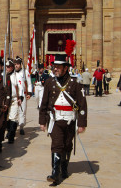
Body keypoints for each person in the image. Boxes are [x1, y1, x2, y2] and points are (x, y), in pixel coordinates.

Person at [39, 54, 87, 186]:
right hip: (55, 120)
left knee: (67, 145)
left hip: (70, 120)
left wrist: (82, 124)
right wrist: (42, 121)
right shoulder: (49, 82)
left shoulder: (75, 83)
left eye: (58, 67)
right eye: (54, 67)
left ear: (65, 68)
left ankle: (64, 167)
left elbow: (82, 104)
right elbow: (44, 103)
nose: (55, 69)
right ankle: (55, 172)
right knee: (57, 144)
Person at [0, 56, 11, 153]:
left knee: (0, 126)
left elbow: (8, 92)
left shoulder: (6, 77)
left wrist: (7, 104)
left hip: (2, 105)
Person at [13, 56, 32, 135]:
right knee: (13, 112)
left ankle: (21, 126)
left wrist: (29, 93)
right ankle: (12, 128)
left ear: (20, 64)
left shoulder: (25, 72)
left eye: (18, 64)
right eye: (15, 64)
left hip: (23, 95)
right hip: (14, 95)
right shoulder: (12, 72)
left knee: (22, 111)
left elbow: (29, 83)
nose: (16, 66)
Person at [5, 58, 22, 144]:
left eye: (9, 67)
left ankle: (11, 135)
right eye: (6, 66)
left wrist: (20, 98)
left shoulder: (17, 76)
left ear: (12, 67)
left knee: (13, 117)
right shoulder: (3, 75)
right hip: (5, 100)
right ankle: (9, 131)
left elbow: (20, 87)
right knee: (6, 118)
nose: (7, 68)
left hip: (14, 99)